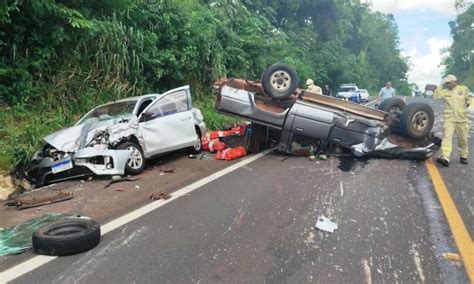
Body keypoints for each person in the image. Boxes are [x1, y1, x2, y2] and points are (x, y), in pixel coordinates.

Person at [434, 74, 471, 167]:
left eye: (449, 83)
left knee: (463, 139)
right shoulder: (445, 91)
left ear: (454, 82)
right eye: (446, 83)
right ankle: (445, 157)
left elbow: (470, 98)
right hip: (449, 119)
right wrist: (440, 85)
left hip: (462, 119)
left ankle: (463, 156)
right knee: (447, 137)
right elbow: (435, 96)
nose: (448, 85)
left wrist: (468, 103)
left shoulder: (463, 89)